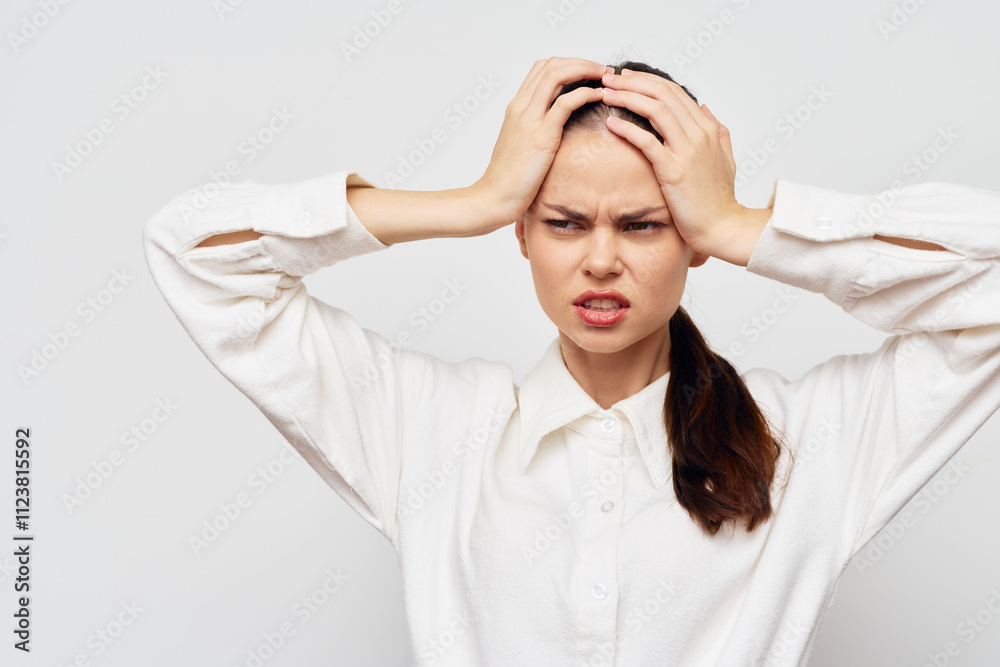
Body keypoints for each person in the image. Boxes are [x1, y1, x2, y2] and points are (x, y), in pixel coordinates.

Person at [143, 56, 1000, 666]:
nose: (600, 260)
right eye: (563, 222)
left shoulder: (813, 442)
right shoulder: (428, 428)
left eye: (643, 225)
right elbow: (192, 252)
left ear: (691, 239)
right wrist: (471, 201)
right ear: (521, 231)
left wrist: (740, 224)